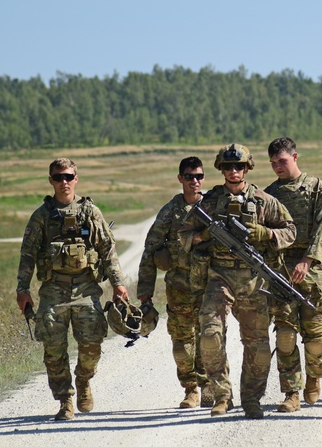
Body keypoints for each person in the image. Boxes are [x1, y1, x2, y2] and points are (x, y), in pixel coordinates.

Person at [179, 143, 297, 419]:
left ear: (247, 168)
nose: (234, 171)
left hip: (253, 280)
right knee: (210, 335)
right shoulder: (208, 203)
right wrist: (205, 236)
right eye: (228, 167)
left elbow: (290, 230)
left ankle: (252, 399)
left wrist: (264, 234)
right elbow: (184, 236)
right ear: (221, 169)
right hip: (219, 277)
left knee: (257, 345)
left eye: (239, 167)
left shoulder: (263, 201)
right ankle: (222, 395)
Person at [16, 158, 129, 421]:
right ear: (51, 181)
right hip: (53, 290)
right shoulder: (42, 216)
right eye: (58, 177)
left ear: (76, 179)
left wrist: (118, 283)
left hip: (86, 288)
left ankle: (83, 381)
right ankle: (65, 400)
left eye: (68, 177)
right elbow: (27, 255)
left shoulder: (90, 212)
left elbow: (107, 250)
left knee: (92, 345)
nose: (63, 182)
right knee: (53, 350)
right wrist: (23, 289)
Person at [265, 137, 322, 411]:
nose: (277, 167)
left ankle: (314, 380)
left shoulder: (318, 188)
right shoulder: (269, 195)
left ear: (295, 157)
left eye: (282, 161)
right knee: (285, 334)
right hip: (282, 271)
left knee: (315, 336)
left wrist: (307, 260)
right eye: (273, 163)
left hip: (312, 269)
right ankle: (291, 392)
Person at [137, 156, 212, 409]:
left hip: (209, 287)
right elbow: (150, 251)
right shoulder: (170, 213)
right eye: (189, 176)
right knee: (182, 344)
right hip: (179, 288)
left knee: (210, 339)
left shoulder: (212, 207)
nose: (194, 181)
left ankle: (210, 386)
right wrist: (145, 296)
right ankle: (191, 389)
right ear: (180, 178)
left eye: (199, 176)